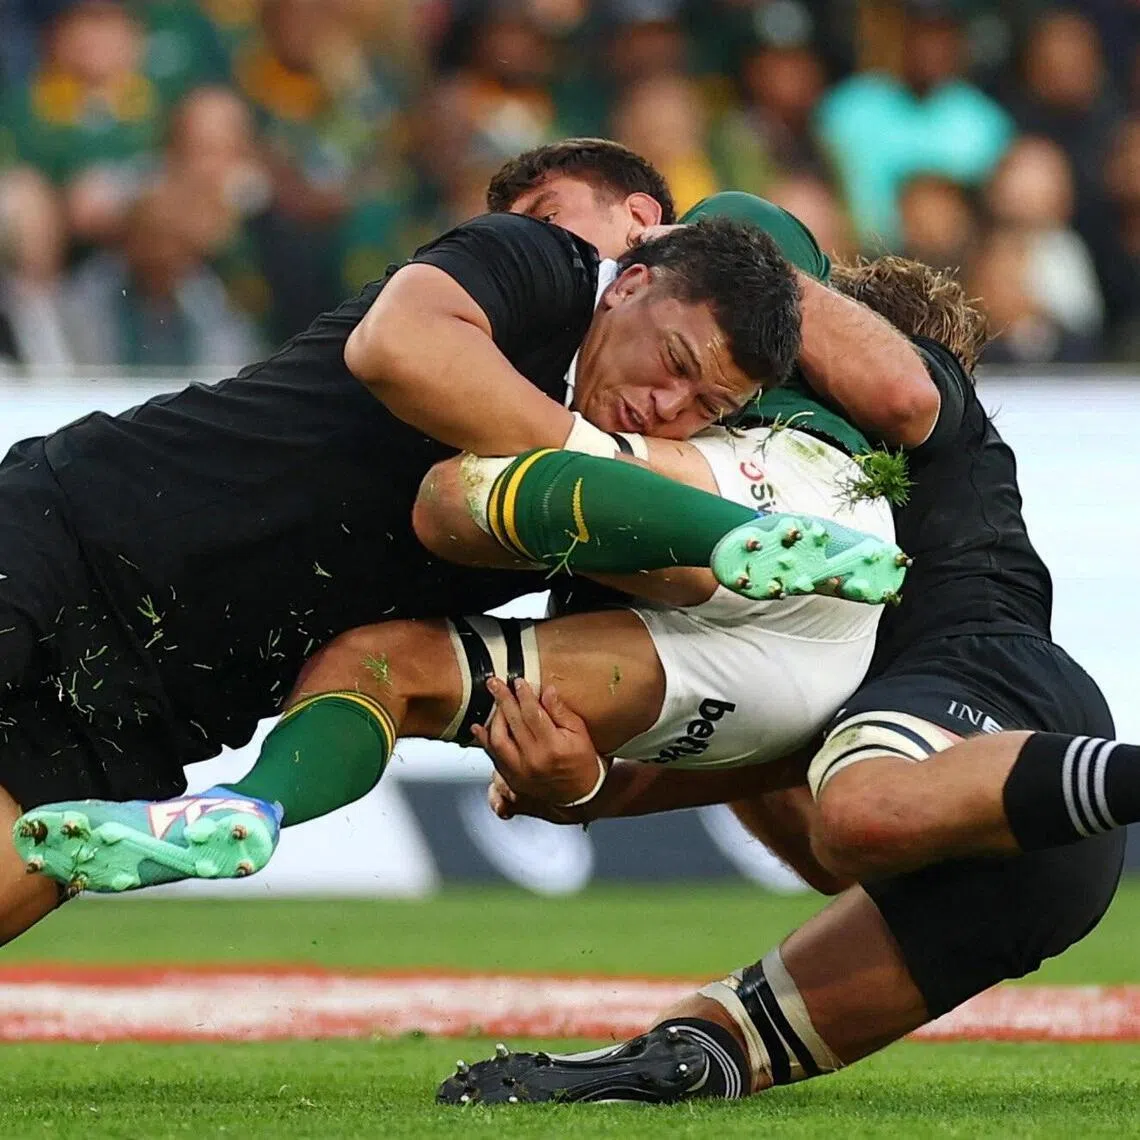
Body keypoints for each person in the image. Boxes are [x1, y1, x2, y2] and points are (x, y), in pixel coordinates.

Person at [0, 142, 806, 941]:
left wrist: (572, 777)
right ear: (628, 282)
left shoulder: (643, 503)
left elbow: (628, 684)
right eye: (672, 363)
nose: (668, 406)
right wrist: (608, 469)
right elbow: (393, 348)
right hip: (73, 534)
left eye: (707, 404)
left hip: (167, 703)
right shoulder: (537, 257)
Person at [434, 251, 1125, 1106]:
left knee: (858, 807)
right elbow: (743, 750)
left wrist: (716, 251)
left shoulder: (916, 409)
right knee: (708, 1054)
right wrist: (579, 786)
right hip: (1033, 869)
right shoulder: (751, 510)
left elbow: (897, 389)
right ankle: (620, 1075)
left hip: (993, 684)